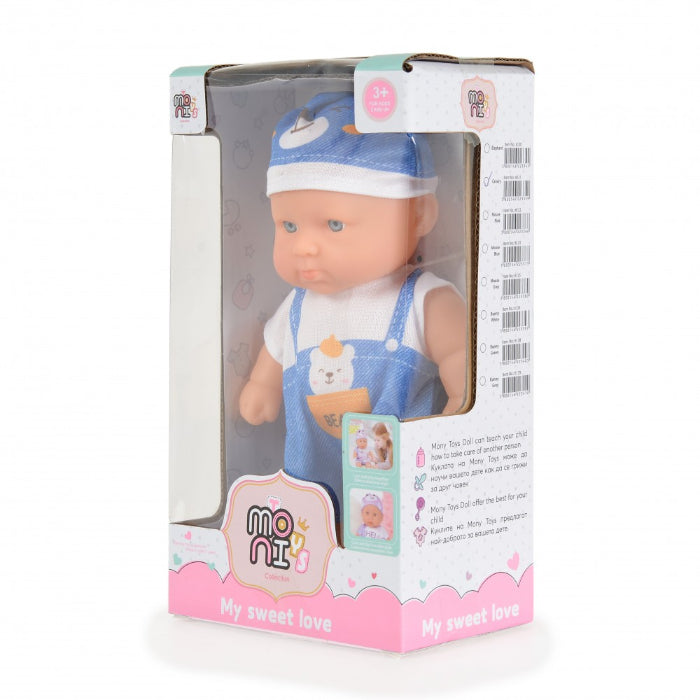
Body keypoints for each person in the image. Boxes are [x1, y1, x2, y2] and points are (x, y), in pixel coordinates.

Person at [239, 92, 467, 521]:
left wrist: (461, 397)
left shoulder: (420, 300)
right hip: (310, 477)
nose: (304, 247)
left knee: (387, 524)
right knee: (310, 524)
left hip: (396, 480)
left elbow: (459, 352)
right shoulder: (298, 305)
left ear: (418, 216)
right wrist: (262, 385)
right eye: (289, 226)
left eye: (334, 224)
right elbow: (275, 350)